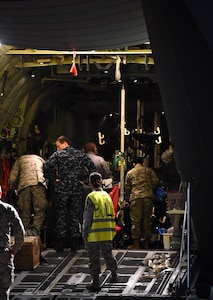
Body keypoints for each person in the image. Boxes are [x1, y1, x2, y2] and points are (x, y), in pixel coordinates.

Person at [43, 135, 96, 252]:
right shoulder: (80, 154)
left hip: (62, 189)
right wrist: (85, 180)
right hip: (76, 189)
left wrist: (54, 179)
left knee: (61, 216)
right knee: (75, 216)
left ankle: (60, 244)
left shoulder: (58, 155)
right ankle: (75, 243)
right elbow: (92, 168)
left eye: (58, 146)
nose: (57, 149)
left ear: (64, 143)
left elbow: (46, 166)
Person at [82, 172, 117, 292]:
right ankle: (114, 275)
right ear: (101, 182)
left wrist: (84, 234)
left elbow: (88, 218)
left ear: (90, 183)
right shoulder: (107, 196)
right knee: (108, 255)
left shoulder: (91, 197)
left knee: (94, 259)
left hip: (94, 234)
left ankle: (96, 283)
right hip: (107, 232)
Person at [8, 150, 48, 237]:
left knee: (24, 211)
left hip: (24, 185)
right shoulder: (40, 159)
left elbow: (13, 178)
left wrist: (12, 188)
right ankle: (36, 230)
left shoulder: (20, 160)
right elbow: (47, 174)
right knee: (40, 210)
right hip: (39, 184)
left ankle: (24, 232)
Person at [125, 156, 159, 249]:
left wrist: (129, 197)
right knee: (147, 220)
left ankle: (136, 244)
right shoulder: (149, 171)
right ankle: (146, 244)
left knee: (136, 221)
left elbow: (127, 187)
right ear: (143, 163)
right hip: (148, 197)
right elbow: (156, 182)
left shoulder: (130, 173)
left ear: (133, 164)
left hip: (136, 198)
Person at [0, 185, 25, 300]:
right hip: (3, 253)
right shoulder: (7, 209)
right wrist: (15, 247)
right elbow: (19, 230)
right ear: (1, 194)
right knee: (3, 289)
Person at [160, 147, 183, 237]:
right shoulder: (180, 166)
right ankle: (176, 230)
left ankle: (173, 228)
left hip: (171, 191)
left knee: (170, 211)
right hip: (180, 191)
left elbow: (165, 179)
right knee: (178, 211)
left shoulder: (167, 167)